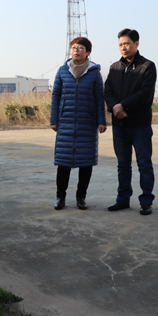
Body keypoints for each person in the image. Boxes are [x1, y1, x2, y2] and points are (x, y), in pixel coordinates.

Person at [104, 29, 157, 215]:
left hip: (140, 125)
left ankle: (146, 201)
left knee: (144, 163)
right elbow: (107, 91)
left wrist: (122, 105)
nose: (123, 47)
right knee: (123, 164)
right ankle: (123, 199)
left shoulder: (147, 66)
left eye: (126, 43)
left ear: (136, 43)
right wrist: (115, 107)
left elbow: (145, 93)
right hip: (119, 126)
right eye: (120, 44)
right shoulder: (115, 67)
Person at [50, 37, 107, 210]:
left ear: (87, 52)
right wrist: (54, 120)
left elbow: (99, 98)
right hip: (65, 122)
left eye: (80, 47)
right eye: (74, 47)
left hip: (87, 123)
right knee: (63, 163)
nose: (76, 50)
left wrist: (101, 121)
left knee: (86, 163)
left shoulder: (94, 72)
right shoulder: (62, 71)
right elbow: (56, 95)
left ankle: (81, 197)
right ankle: (60, 197)